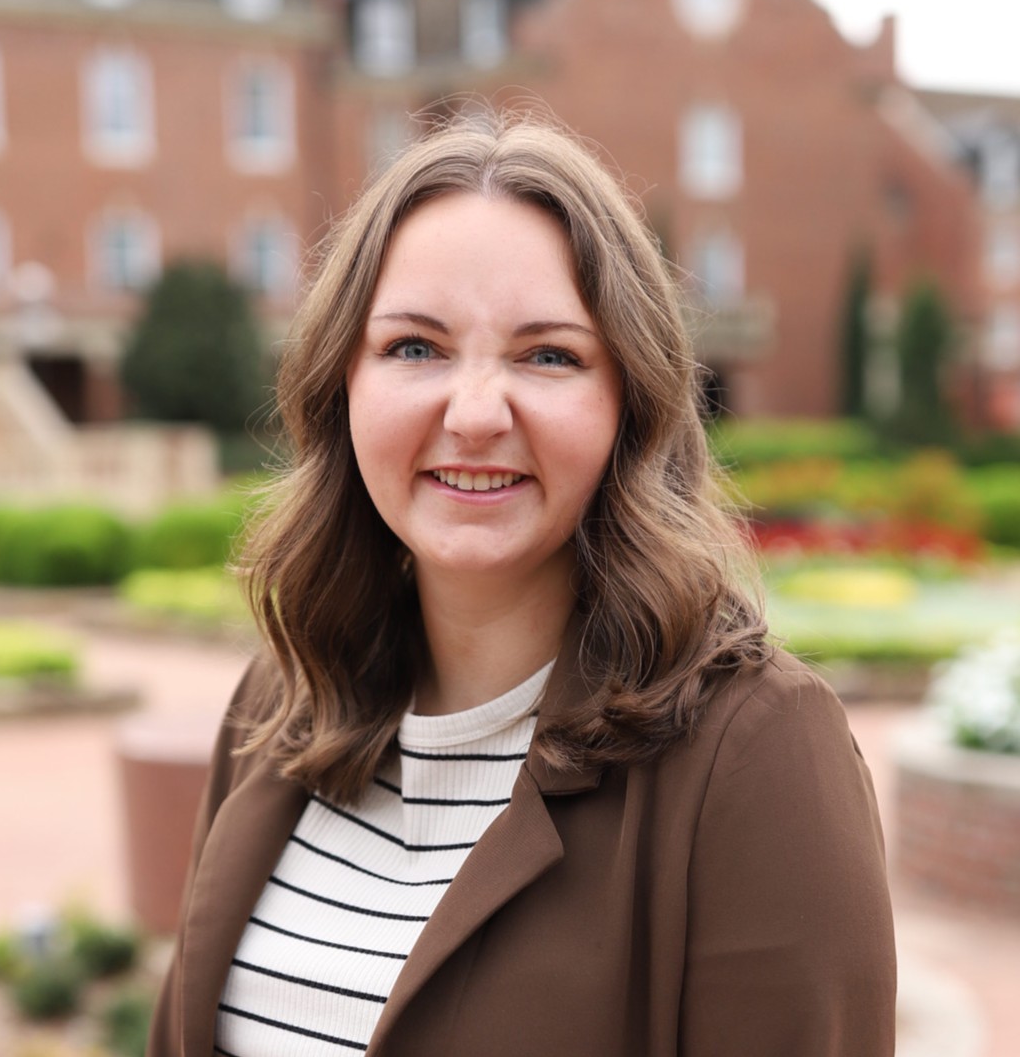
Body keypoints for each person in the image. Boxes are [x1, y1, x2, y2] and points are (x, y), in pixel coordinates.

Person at [148, 109, 896, 1057]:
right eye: (414, 347)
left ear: (629, 401)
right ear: (342, 385)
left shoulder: (754, 755)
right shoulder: (280, 698)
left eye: (548, 355)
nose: (473, 413)